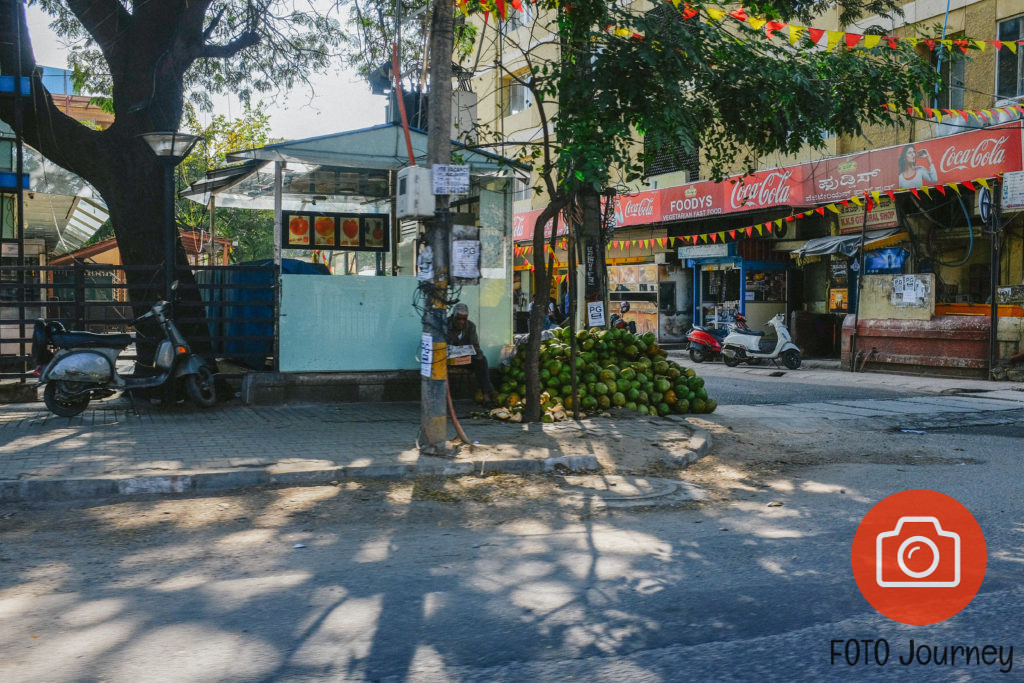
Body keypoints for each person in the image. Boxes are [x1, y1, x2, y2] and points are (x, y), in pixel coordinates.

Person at [446, 303, 495, 402]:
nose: (461, 322)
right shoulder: (445, 325)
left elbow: (475, 347)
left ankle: (486, 393)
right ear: (453, 317)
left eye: (464, 319)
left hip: (466, 360)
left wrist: (469, 352)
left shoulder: (470, 326)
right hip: (448, 360)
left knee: (482, 360)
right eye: (458, 319)